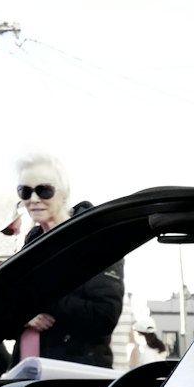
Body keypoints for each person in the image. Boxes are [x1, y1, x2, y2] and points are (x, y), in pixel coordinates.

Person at [11, 153, 123, 367]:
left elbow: (104, 317)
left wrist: (41, 298)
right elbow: (8, 307)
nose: (34, 199)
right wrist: (24, 318)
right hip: (26, 371)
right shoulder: (31, 244)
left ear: (63, 194)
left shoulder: (95, 241)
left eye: (44, 190)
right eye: (25, 191)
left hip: (72, 377)